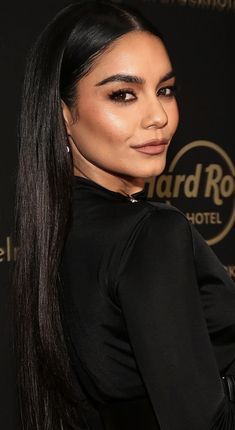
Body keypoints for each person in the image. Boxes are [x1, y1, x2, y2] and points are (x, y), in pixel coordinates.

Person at [13, 1, 235, 429]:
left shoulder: (57, 230)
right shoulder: (151, 235)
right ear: (64, 115)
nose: (159, 117)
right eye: (123, 95)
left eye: (165, 89)